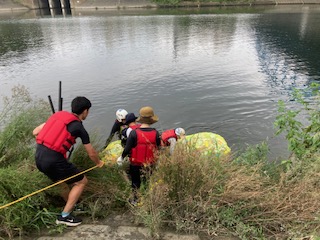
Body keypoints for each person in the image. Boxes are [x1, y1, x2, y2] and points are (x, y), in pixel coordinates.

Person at [33, 96, 104, 227]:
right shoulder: (79, 128)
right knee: (81, 182)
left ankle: (71, 206)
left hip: (38, 156)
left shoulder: (58, 116)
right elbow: (91, 153)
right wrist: (99, 163)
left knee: (61, 182)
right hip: (53, 160)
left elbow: (35, 132)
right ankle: (64, 216)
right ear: (85, 111)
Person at [117, 106, 161, 205]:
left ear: (141, 120)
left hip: (135, 164)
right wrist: (158, 162)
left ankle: (135, 200)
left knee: (135, 182)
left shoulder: (133, 133)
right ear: (152, 120)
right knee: (147, 180)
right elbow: (158, 149)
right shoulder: (156, 133)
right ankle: (147, 198)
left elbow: (127, 148)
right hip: (150, 163)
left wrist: (121, 157)